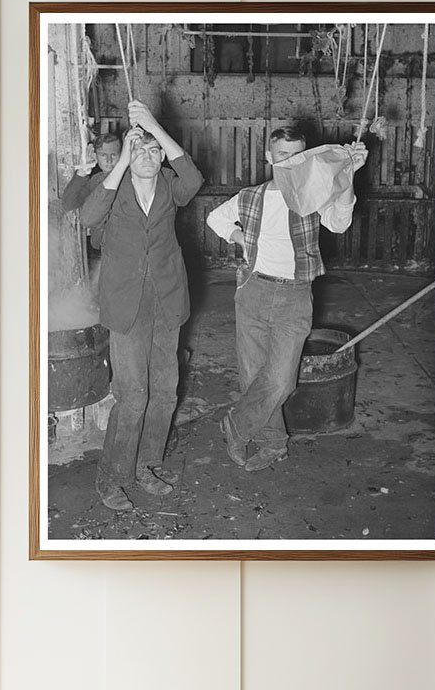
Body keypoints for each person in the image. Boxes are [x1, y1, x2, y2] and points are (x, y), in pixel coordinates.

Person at [206, 125, 368, 471]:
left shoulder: (314, 196)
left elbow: (340, 224)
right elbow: (215, 218)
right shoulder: (251, 196)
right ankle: (273, 444)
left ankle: (236, 426)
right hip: (253, 290)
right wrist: (241, 237)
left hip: (295, 296)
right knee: (253, 375)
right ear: (270, 157)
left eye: (298, 156)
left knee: (280, 380)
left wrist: (348, 175)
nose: (291, 161)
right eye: (283, 155)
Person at [79, 100, 203, 512]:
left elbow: (194, 177)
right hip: (126, 305)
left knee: (165, 392)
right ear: (129, 158)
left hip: (167, 301)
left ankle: (148, 465)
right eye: (140, 151)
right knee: (133, 396)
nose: (148, 158)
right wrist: (121, 163)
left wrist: (153, 126)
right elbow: (87, 215)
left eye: (154, 151)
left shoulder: (170, 183)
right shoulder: (113, 192)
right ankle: (112, 477)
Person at [60, 131, 122, 214]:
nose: (109, 160)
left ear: (121, 155)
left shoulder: (130, 178)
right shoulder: (95, 181)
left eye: (113, 154)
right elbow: (68, 204)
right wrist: (83, 171)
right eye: (103, 155)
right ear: (95, 156)